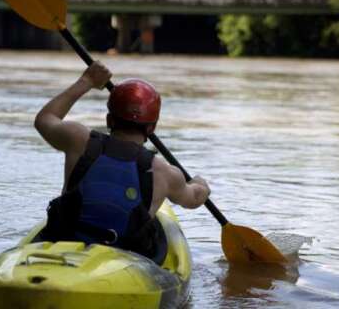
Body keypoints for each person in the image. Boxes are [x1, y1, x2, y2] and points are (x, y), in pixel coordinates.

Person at [34, 61, 210, 260]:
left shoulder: (78, 139)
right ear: (151, 128)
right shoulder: (166, 174)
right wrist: (199, 183)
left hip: (65, 244)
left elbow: (44, 118)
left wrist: (86, 81)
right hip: (122, 260)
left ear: (109, 120)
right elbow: (194, 198)